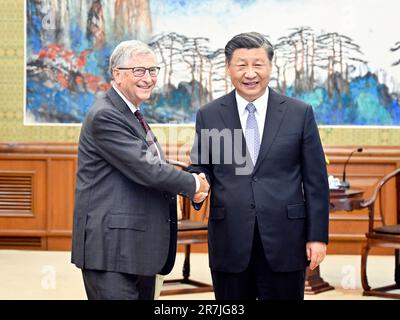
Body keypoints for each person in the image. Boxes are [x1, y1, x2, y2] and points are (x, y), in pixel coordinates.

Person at [189, 32, 329, 300]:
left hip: (285, 238)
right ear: (228, 68)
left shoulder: (299, 113)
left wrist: (317, 237)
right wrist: (196, 183)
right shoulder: (209, 114)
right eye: (241, 65)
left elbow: (315, 181)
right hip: (229, 237)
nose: (250, 73)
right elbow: (201, 166)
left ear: (270, 66)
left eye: (258, 64)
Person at [71, 40, 209, 300]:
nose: (148, 78)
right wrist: (194, 185)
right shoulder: (106, 115)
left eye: (153, 70)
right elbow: (148, 170)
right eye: (139, 71)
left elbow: (151, 167)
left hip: (135, 247)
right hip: (111, 251)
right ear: (117, 74)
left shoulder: (130, 113)